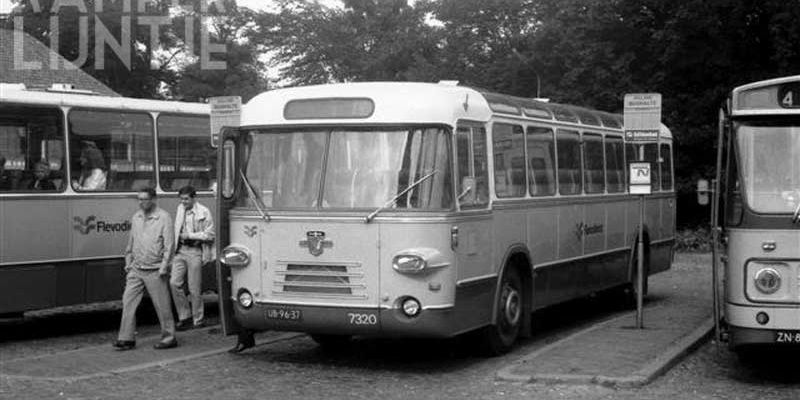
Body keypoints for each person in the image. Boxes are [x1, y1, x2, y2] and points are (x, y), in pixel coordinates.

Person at [113, 187, 178, 351]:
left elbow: (169, 245)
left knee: (161, 305)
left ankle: (169, 337)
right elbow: (131, 241)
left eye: (144, 199)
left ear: (153, 199)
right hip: (136, 268)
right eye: (139, 199)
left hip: (155, 269)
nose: (141, 202)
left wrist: (164, 266)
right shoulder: (137, 217)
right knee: (128, 301)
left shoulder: (164, 217)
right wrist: (128, 261)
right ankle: (126, 338)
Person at [171, 185, 215, 331]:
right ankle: (185, 316)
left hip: (195, 251)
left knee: (194, 288)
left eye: (186, 199)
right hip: (180, 251)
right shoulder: (180, 209)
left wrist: (190, 236)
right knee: (174, 283)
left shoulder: (204, 211)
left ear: (193, 198)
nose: (183, 202)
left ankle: (198, 319)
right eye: (181, 199)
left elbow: (210, 235)